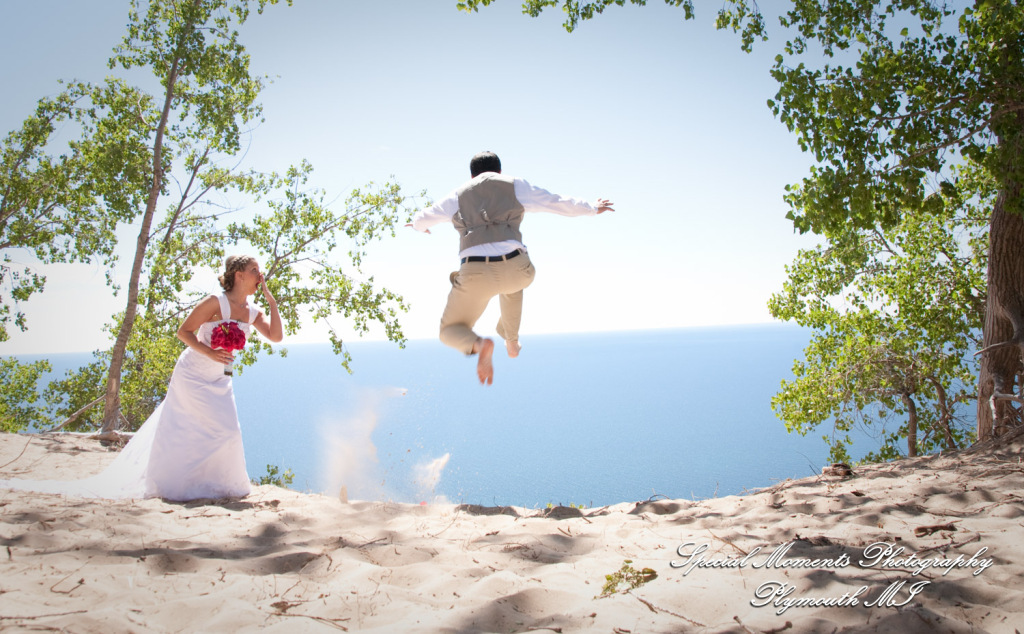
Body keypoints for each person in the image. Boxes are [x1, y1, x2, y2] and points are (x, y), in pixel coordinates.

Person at [0, 255, 283, 501]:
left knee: (227, 431)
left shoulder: (252, 312)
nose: (260, 276)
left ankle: (220, 485)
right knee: (184, 430)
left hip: (220, 379)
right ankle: (179, 486)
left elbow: (276, 336)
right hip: (193, 374)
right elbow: (183, 332)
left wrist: (272, 302)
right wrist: (208, 352)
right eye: (256, 271)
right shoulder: (214, 302)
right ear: (239, 275)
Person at [409, 151, 614, 385]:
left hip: (475, 274)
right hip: (517, 266)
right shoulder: (514, 185)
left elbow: (424, 218)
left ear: (472, 175)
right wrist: (592, 207)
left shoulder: (457, 194)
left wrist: (417, 226)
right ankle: (511, 342)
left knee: (449, 331)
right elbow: (554, 202)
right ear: (499, 171)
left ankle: (479, 344)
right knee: (513, 283)